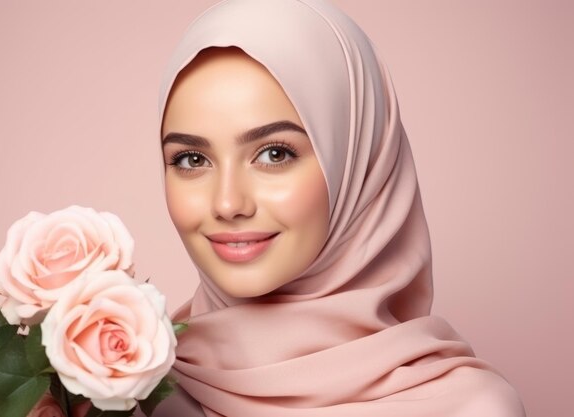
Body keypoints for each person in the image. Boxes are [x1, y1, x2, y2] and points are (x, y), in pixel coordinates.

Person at [152, 0, 526, 416]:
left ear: (359, 162)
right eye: (191, 159)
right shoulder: (125, 396)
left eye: (275, 154)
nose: (227, 203)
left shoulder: (469, 409)